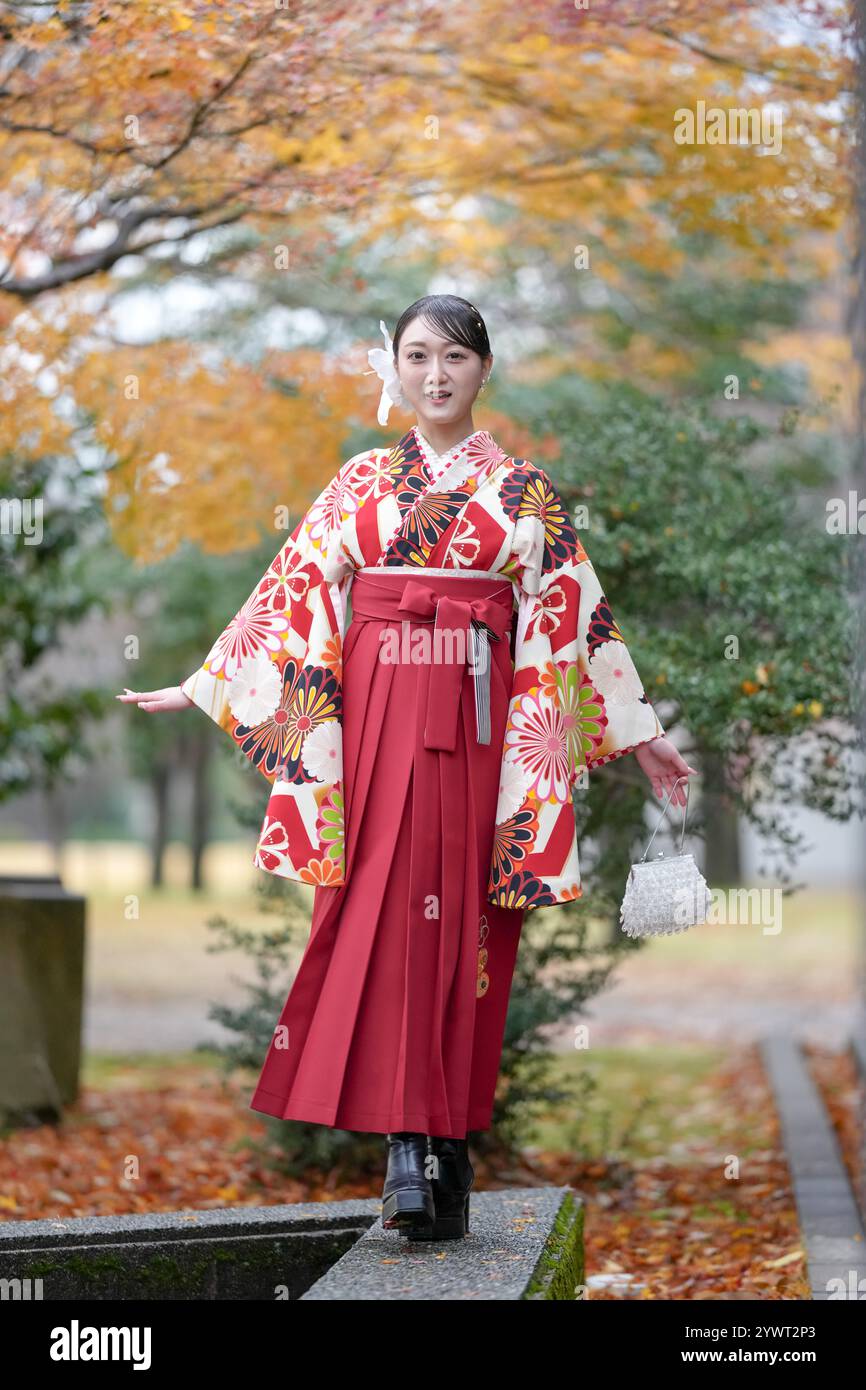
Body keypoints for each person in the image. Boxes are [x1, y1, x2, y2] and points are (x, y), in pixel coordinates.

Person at [118, 293, 696, 1241]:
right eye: (418, 356)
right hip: (379, 714)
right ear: (393, 367)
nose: (436, 375)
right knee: (376, 907)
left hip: (485, 723)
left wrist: (641, 731)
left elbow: (574, 618)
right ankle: (401, 1151)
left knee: (472, 916)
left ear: (483, 370)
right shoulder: (358, 483)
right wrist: (204, 683)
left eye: (456, 358)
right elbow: (293, 593)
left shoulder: (524, 492)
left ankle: (454, 1143)